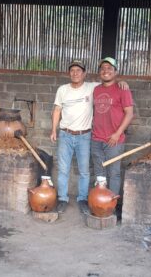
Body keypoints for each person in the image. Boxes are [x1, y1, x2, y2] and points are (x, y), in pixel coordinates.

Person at [50, 60, 128, 214]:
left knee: (84, 171)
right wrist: (54, 130)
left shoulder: (92, 87)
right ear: (69, 73)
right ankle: (62, 199)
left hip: (84, 136)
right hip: (65, 134)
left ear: (84, 73)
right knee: (63, 169)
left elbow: (109, 82)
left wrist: (122, 82)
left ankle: (83, 199)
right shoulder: (62, 90)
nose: (75, 73)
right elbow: (57, 110)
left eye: (79, 70)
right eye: (72, 70)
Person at [91, 57, 134, 200]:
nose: (106, 71)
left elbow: (129, 113)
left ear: (116, 72)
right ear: (99, 72)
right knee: (99, 173)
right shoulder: (96, 89)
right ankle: (101, 203)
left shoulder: (122, 89)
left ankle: (113, 204)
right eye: (103, 68)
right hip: (96, 139)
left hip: (114, 140)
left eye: (109, 68)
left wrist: (117, 133)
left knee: (114, 173)